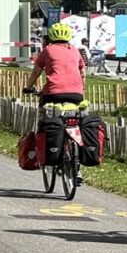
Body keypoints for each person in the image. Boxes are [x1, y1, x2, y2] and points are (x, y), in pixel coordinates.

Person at [24, 22, 87, 181]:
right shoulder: (74, 51)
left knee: (46, 121)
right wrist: (81, 89)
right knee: (75, 123)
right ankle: (77, 164)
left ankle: (47, 148)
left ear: (51, 37)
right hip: (76, 95)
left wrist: (28, 87)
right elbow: (83, 72)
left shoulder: (47, 51)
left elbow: (36, 73)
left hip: (52, 94)